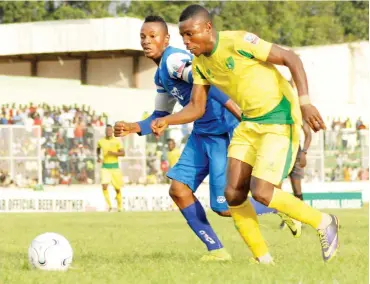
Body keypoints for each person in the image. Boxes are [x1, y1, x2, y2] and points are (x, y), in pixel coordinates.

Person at [151, 5, 339, 264]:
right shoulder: (200, 64)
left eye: (190, 34)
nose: (186, 41)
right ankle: (263, 260)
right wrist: (166, 120)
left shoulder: (238, 41)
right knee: (233, 195)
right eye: (182, 35)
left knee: (261, 191)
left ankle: (325, 222)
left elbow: (291, 58)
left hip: (278, 118)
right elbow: (197, 106)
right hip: (249, 123)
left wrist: (305, 102)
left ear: (208, 28)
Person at [114, 16, 295, 262]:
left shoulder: (175, 60)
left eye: (153, 36)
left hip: (222, 132)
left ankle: (282, 206)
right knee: (178, 190)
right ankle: (216, 250)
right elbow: (161, 114)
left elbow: (208, 79)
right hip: (202, 133)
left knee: (223, 206)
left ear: (166, 39)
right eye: (143, 37)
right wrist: (134, 126)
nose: (146, 41)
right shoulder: (161, 76)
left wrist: (237, 112)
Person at [280, 120, 312, 230]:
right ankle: (286, 218)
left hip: (296, 153)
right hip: (279, 151)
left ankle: (299, 218)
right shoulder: (279, 111)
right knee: (278, 189)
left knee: (297, 190)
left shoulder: (298, 113)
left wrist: (304, 152)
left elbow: (308, 134)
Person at [97, 125, 125, 212]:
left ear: (112, 131)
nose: (108, 132)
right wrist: (98, 157)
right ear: (105, 132)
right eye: (107, 130)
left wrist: (113, 153)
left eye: (110, 130)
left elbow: (123, 153)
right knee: (104, 186)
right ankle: (109, 206)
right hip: (105, 167)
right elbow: (98, 149)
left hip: (115, 167)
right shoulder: (101, 141)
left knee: (117, 188)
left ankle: (120, 206)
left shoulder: (117, 141)